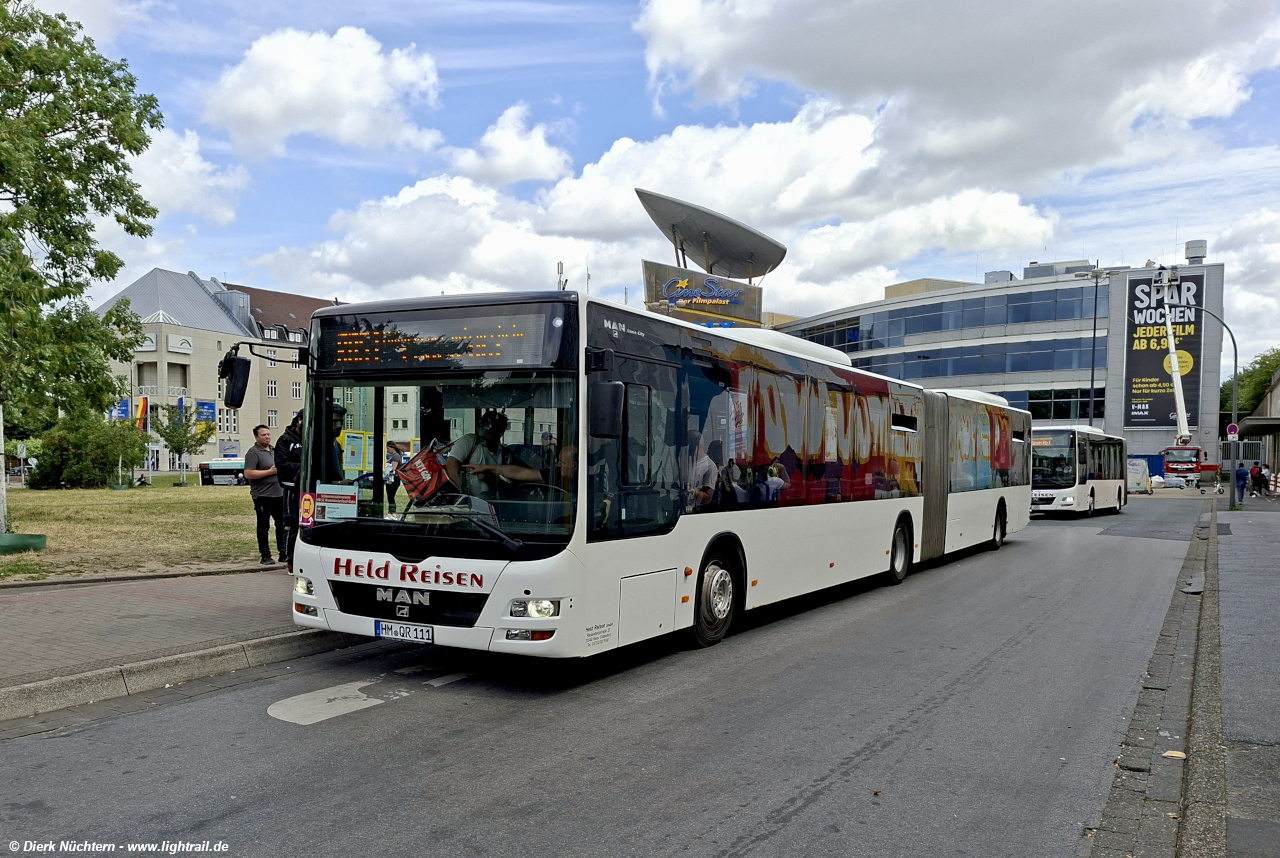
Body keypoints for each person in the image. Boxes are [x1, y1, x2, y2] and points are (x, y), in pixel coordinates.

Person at [445, 410, 527, 496]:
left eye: (490, 431)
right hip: (466, 502)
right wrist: (464, 492)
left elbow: (508, 487)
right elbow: (451, 465)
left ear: (500, 433)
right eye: (482, 428)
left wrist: (490, 479)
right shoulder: (470, 441)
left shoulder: (505, 455)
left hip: (490, 504)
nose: (484, 433)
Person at [244, 424, 285, 564]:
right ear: (256, 437)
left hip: (279, 494)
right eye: (263, 435)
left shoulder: (274, 450)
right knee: (264, 526)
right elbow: (249, 473)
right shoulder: (253, 453)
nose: (267, 437)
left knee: (282, 524)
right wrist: (270, 472)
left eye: (268, 434)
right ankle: (265, 555)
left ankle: (283, 553)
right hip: (262, 496)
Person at [275, 412, 304, 570]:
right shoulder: (285, 440)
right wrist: (304, 466)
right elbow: (281, 464)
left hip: (308, 489)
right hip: (291, 487)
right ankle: (289, 558)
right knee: (291, 522)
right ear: (299, 421)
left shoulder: (312, 437)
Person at [384, 440, 406, 512]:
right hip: (393, 479)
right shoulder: (394, 456)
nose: (387, 450)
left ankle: (392, 513)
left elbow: (392, 469)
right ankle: (391, 513)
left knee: (391, 497)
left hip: (393, 479)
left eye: (388, 448)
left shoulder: (395, 456)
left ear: (392, 448)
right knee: (390, 497)